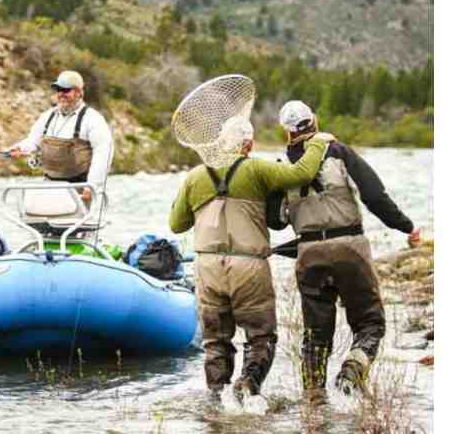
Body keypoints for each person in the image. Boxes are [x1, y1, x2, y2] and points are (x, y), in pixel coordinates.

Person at [169, 116, 335, 401]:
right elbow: (302, 174)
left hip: (207, 266)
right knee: (261, 337)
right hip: (248, 265)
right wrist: (319, 143)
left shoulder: (195, 176)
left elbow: (176, 224)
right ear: (248, 145)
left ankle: (216, 399)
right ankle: (247, 386)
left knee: (215, 341)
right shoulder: (257, 168)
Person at [273, 100, 420, 401]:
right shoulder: (339, 152)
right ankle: (352, 370)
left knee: (315, 336)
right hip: (350, 248)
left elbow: (274, 221)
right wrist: (407, 227)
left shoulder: (281, 168)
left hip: (309, 254)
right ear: (314, 120)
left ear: (286, 132)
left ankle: (314, 404)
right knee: (370, 324)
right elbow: (375, 197)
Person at [6, 70, 113, 203]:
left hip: (80, 189)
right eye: (58, 89)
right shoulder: (47, 116)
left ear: (79, 93)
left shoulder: (93, 119)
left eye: (66, 90)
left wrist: (92, 187)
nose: (61, 94)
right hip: (49, 187)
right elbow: (33, 141)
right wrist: (19, 149)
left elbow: (103, 155)